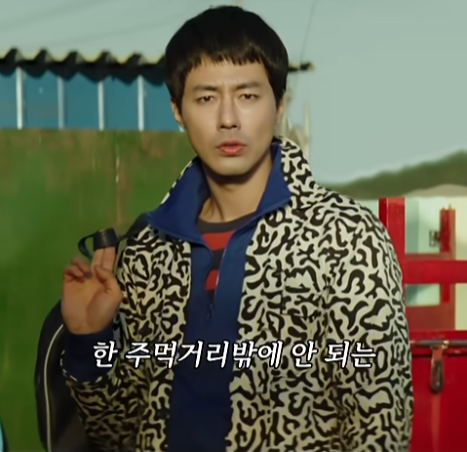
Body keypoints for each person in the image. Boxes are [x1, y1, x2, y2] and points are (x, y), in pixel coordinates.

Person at [60, 5, 413, 452]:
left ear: (279, 105)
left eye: (247, 96)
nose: (228, 118)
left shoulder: (346, 240)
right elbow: (118, 431)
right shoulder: (149, 249)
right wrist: (88, 339)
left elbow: (379, 427)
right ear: (177, 110)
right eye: (206, 98)